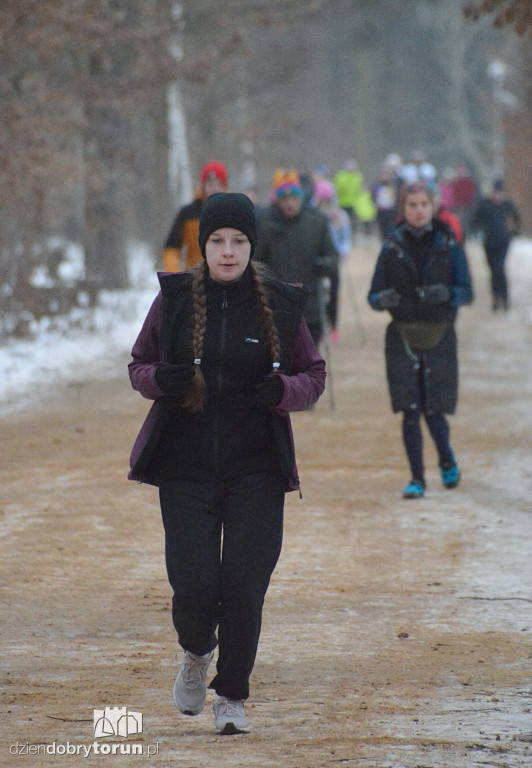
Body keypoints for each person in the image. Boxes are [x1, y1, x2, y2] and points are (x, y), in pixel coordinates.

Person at [128, 192, 326, 735]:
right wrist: (158, 380)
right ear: (203, 244)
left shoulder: (281, 306)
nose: (228, 251)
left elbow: (314, 376)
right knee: (193, 585)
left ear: (251, 246)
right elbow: (138, 365)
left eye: (238, 241)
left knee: (243, 583)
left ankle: (232, 695)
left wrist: (282, 389)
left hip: (256, 469)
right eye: (217, 241)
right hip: (185, 469)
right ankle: (196, 651)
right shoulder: (173, 301)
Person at [367, 182, 473, 499]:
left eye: (424, 203)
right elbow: (372, 294)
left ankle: (446, 458)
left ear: (434, 205)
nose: (418, 209)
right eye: (412, 204)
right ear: (404, 209)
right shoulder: (391, 247)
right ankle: (417, 479)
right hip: (402, 336)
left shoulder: (449, 244)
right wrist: (381, 298)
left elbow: (467, 291)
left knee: (434, 408)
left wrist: (449, 294)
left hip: (440, 335)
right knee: (410, 409)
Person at [255, 169, 338, 346]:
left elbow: (333, 258)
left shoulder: (316, 221)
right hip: (277, 308)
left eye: (294, 198)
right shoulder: (266, 223)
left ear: (301, 198)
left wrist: (323, 265)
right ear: (278, 200)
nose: (290, 203)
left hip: (310, 308)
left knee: (309, 361)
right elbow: (256, 263)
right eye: (285, 199)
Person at [162, 161, 228, 272]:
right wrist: (173, 275)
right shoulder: (188, 213)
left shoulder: (232, 213)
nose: (215, 189)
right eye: (211, 184)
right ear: (203, 186)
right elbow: (171, 248)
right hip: (194, 277)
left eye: (219, 185)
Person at [470, 179, 521, 312]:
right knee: (493, 270)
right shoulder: (485, 205)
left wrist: (515, 231)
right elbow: (474, 219)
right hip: (489, 242)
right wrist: (476, 231)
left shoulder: (506, 205)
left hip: (503, 242)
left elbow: (516, 218)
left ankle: (504, 298)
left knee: (499, 268)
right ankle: (496, 298)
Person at [313, 178, 352, 342]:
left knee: (334, 291)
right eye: (322, 199)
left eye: (327, 198)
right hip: (317, 258)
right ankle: (320, 327)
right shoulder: (313, 216)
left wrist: (343, 251)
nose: (325, 202)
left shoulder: (340, 216)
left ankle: (333, 326)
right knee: (319, 293)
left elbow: (345, 237)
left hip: (334, 258)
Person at [333, 159, 364, 232]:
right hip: (342, 203)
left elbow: (359, 189)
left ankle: (353, 235)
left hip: (353, 203)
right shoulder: (341, 176)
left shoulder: (357, 176)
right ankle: (343, 233)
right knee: (342, 221)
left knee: (353, 221)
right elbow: (337, 188)